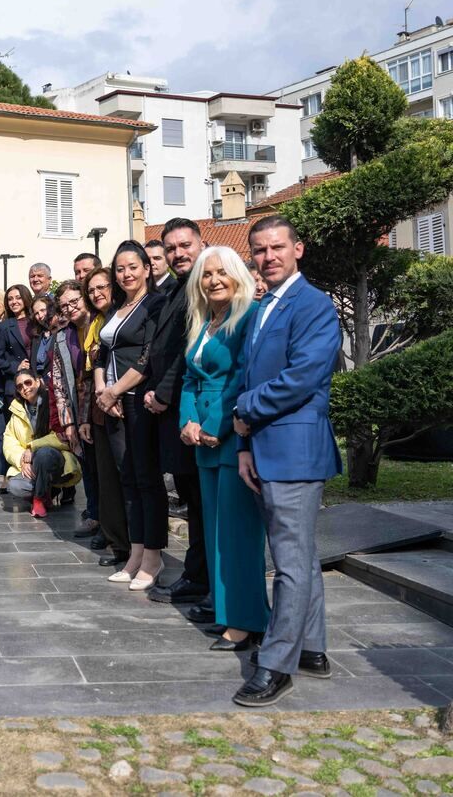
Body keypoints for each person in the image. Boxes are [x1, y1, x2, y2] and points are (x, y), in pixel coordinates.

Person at [232, 216, 341, 707]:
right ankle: (313, 648)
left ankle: (276, 664)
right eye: (259, 250)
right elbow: (250, 374)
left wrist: (244, 412)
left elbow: (301, 378)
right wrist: (246, 445)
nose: (268, 256)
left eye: (277, 247)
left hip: (297, 452)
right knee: (300, 555)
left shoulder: (315, 306)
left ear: (298, 249)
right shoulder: (261, 308)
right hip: (265, 448)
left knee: (290, 563)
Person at [178, 246, 268, 653]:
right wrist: (188, 421)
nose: (214, 280)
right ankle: (227, 612)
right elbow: (188, 380)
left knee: (237, 534)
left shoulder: (247, 316)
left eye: (221, 272)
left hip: (232, 435)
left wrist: (215, 424)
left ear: (236, 275)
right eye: (206, 274)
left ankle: (247, 621)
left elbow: (240, 376)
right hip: (202, 438)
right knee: (215, 532)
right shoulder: (202, 322)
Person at [94, 241, 167, 593]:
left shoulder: (155, 304)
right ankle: (135, 553)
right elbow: (99, 353)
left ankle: (153, 556)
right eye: (120, 269)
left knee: (147, 480)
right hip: (113, 404)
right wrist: (102, 392)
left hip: (137, 401)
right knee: (130, 481)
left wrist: (115, 390)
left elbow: (147, 357)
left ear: (147, 268)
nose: (126, 274)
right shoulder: (119, 308)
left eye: (133, 267)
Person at [145, 219, 210, 608]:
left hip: (193, 410)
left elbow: (190, 349)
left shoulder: (203, 286)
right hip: (176, 413)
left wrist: (164, 393)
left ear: (201, 244)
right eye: (170, 249)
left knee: (201, 503)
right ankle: (197, 574)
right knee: (191, 498)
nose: (177, 254)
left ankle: (201, 578)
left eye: (184, 245)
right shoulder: (174, 289)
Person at [81, 268, 129, 568]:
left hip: (122, 405)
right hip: (99, 407)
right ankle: (118, 544)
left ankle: (132, 544)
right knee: (107, 481)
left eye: (102, 287)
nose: (97, 293)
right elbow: (91, 369)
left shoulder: (121, 315)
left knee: (126, 479)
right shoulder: (96, 322)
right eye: (92, 289)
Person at [4, 369, 81, 518]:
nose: (25, 388)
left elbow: (62, 436)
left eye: (28, 382)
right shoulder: (17, 410)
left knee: (43, 454)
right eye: (20, 386)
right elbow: (9, 442)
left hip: (57, 461)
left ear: (37, 381)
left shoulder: (52, 402)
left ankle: (39, 498)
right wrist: (21, 460)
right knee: (14, 487)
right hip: (32, 466)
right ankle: (47, 489)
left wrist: (33, 447)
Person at [54, 280, 98, 534]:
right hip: (76, 407)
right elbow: (58, 382)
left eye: (74, 301)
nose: (70, 308)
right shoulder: (63, 335)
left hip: (100, 407)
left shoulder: (100, 324)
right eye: (64, 306)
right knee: (87, 465)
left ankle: (111, 522)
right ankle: (94, 514)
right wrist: (67, 421)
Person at [0, 284, 32, 493]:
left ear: (26, 298)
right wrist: (16, 367)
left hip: (39, 384)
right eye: (11, 299)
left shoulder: (37, 320)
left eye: (18, 297)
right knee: (16, 433)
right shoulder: (5, 326)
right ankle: (14, 474)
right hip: (14, 387)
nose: (14, 301)